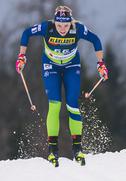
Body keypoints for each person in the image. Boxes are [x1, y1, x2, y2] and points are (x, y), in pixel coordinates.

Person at [16, 5, 108, 166]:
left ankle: (77, 149)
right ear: (55, 23)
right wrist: (21, 56)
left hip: (72, 66)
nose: (63, 29)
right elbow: (26, 33)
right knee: (55, 105)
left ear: (70, 23)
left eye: (66, 25)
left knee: (72, 104)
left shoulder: (77, 28)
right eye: (59, 25)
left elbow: (96, 40)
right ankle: (52, 151)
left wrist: (101, 64)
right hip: (50, 66)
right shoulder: (47, 27)